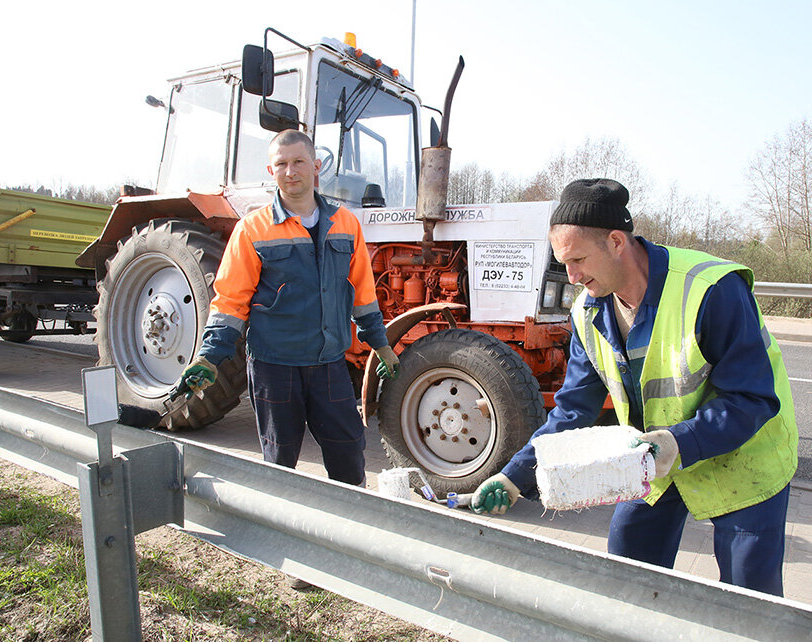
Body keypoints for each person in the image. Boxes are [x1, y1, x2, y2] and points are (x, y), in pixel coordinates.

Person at [470, 178, 798, 596]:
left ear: (616, 242)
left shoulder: (711, 291)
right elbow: (573, 412)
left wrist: (679, 442)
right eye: (563, 263)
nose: (571, 277)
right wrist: (516, 476)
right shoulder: (587, 312)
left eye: (578, 260)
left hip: (745, 454)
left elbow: (752, 398)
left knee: (748, 596)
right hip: (655, 455)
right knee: (628, 567)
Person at [178, 129, 399, 489]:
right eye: (281, 164)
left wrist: (380, 343)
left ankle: (349, 528)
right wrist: (210, 355)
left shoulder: (346, 224)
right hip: (274, 365)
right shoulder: (254, 228)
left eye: (298, 162)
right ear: (271, 170)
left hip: (328, 362)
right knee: (280, 461)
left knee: (348, 453)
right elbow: (231, 299)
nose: (290, 171)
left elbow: (362, 291)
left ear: (316, 166)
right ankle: (283, 530)